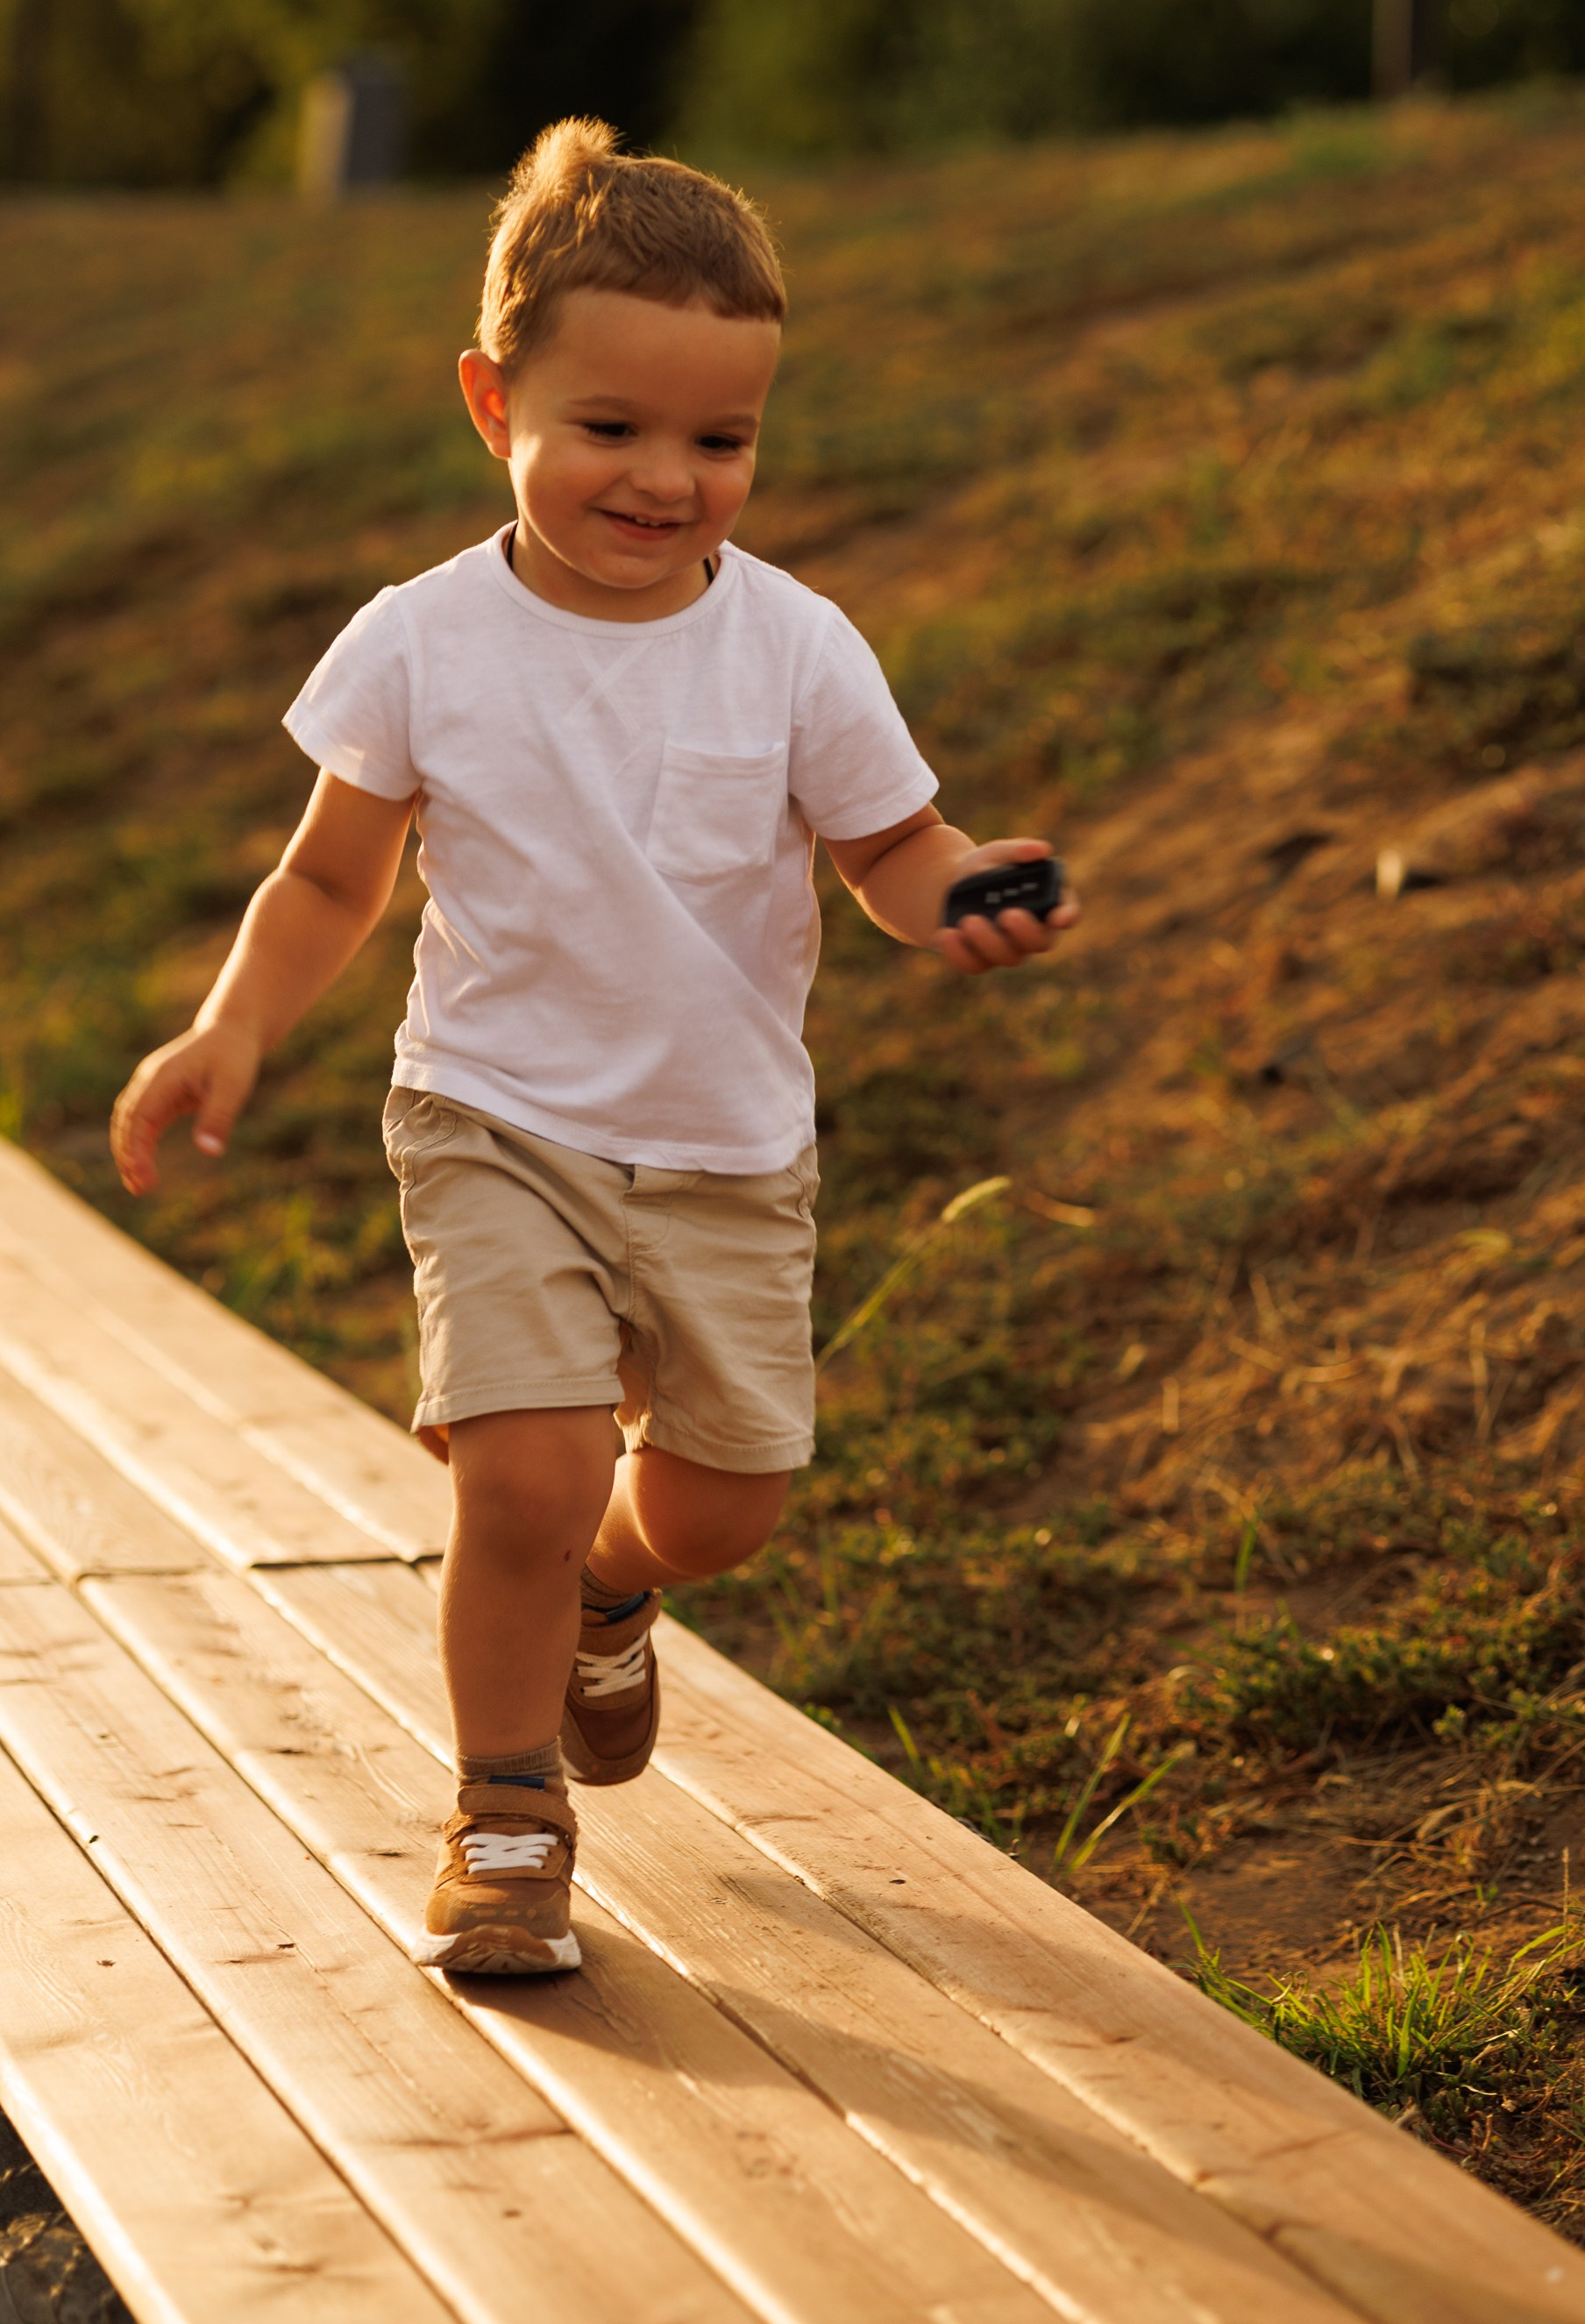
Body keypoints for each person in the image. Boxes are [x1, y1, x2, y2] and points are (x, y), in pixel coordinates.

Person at [110, 119, 1079, 1976]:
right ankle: (504, 1816)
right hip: (494, 1119)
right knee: (525, 1478)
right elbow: (329, 880)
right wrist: (231, 1029)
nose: (667, 479)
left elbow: (884, 846)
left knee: (718, 1509)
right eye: (610, 429)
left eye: (720, 441)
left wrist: (960, 888)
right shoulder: (421, 645)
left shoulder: (796, 650)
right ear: (494, 405)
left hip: (725, 1144)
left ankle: (617, 1596)